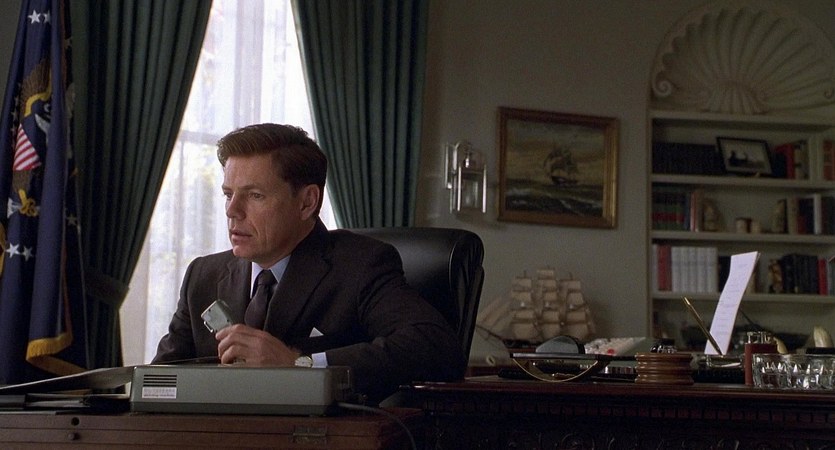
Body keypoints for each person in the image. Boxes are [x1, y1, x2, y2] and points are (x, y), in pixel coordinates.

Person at [152, 123, 465, 404]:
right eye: (228, 194)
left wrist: (299, 365)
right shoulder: (203, 276)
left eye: (255, 195)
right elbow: (156, 384)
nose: (232, 210)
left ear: (306, 202)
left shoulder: (361, 265)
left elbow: (435, 346)